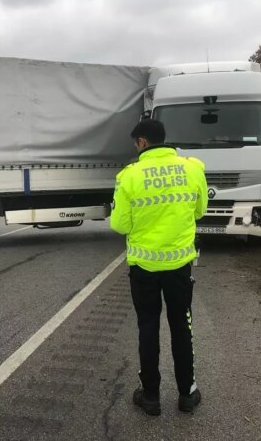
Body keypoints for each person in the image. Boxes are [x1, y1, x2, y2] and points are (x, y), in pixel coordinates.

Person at [110, 119, 208, 415]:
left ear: (141, 142)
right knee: (181, 324)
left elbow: (119, 224)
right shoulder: (193, 168)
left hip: (144, 267)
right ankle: (187, 393)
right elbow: (200, 211)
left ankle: (151, 395)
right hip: (179, 265)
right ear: (163, 139)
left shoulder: (129, 176)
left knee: (148, 327)